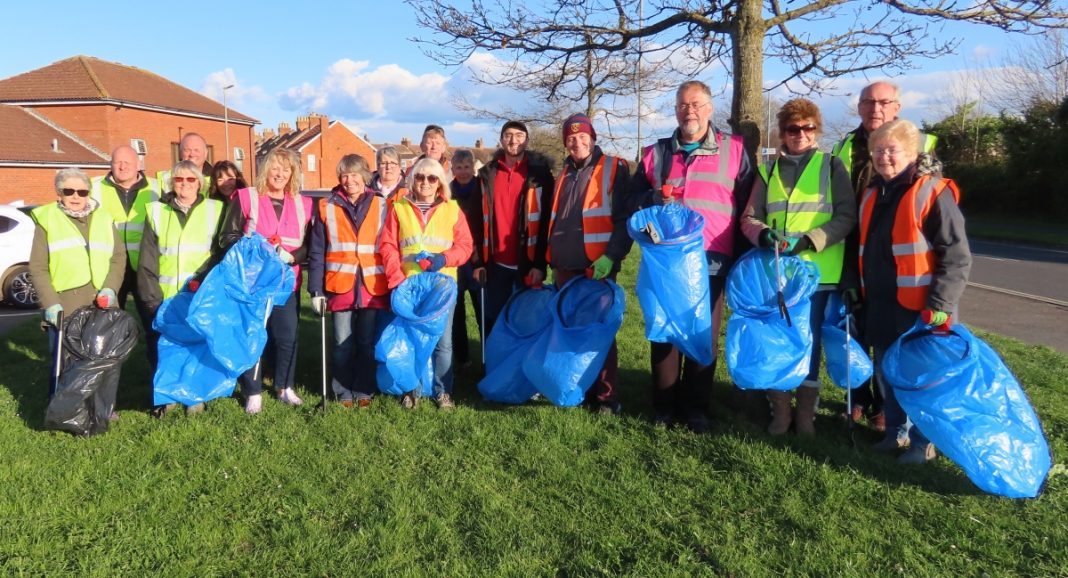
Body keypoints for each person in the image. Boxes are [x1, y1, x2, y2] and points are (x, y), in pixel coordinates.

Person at [626, 80, 755, 433]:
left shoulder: (735, 150)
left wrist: (743, 260)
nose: (689, 111)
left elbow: (748, 207)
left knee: (702, 334)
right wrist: (652, 199)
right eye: (683, 105)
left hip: (711, 258)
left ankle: (696, 409)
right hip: (665, 261)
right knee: (664, 333)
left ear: (710, 109)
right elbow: (628, 202)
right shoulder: (656, 154)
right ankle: (663, 407)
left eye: (696, 104)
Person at [858, 119, 971, 465]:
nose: (884, 157)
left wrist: (940, 304)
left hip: (923, 309)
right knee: (890, 375)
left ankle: (923, 444)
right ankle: (895, 433)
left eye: (892, 150)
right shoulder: (873, 193)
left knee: (925, 381)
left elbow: (956, 255)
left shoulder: (931, 192)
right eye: (878, 150)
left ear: (912, 153)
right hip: (882, 304)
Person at [741, 98, 857, 436]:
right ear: (782, 133)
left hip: (817, 274)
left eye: (807, 128)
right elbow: (749, 217)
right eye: (793, 129)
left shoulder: (832, 165)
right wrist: (763, 236)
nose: (800, 134)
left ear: (816, 130)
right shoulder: (768, 170)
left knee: (810, 341)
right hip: (777, 276)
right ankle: (781, 410)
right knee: (777, 340)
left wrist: (809, 240)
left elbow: (847, 217)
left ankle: (806, 414)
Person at [831, 81, 939, 430]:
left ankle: (890, 413)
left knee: (895, 341)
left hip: (903, 256)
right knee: (857, 329)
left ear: (897, 106)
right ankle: (860, 399)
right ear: (859, 107)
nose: (875, 109)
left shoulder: (922, 144)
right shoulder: (844, 146)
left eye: (883, 102)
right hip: (856, 248)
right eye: (868, 102)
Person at [545, 113, 632, 414]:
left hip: (597, 267)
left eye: (583, 137)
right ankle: (578, 387)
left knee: (598, 333)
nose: (577, 142)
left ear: (593, 138)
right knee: (569, 331)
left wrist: (611, 256)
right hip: (564, 267)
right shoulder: (564, 173)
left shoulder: (613, 167)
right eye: (571, 138)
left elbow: (624, 220)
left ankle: (606, 397)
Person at [218, 148, 312, 415]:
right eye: (275, 168)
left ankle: (285, 386)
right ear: (265, 170)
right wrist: (256, 251)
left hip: (287, 283)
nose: (280, 174)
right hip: (253, 284)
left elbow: (308, 245)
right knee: (253, 336)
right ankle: (253, 391)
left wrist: (293, 257)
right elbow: (227, 237)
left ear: (292, 173)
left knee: (287, 337)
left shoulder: (303, 204)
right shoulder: (247, 197)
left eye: (286, 169)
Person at [29, 169, 125, 417]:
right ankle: (63, 411)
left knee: (100, 356)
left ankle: (101, 408)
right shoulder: (47, 219)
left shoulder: (103, 217)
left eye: (81, 191)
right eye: (68, 191)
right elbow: (38, 267)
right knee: (66, 360)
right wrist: (50, 303)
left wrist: (111, 288)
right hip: (65, 302)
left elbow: (117, 257)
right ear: (59, 193)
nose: (75, 196)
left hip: (100, 300)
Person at [380, 158, 473, 409]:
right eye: (420, 177)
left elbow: (465, 247)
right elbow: (387, 245)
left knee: (443, 342)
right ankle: (412, 390)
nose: (425, 183)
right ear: (412, 180)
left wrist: (443, 259)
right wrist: (396, 277)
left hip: (442, 286)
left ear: (440, 182)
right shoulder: (399, 208)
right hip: (409, 285)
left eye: (432, 178)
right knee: (412, 339)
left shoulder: (452, 209)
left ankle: (444, 392)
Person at [138, 161, 224, 415]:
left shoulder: (215, 210)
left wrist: (207, 287)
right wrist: (151, 300)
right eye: (179, 180)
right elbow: (147, 261)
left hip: (199, 296)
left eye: (190, 179)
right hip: (165, 296)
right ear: (171, 183)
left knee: (196, 345)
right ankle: (166, 397)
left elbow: (219, 256)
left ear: (200, 183)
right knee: (164, 348)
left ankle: (195, 396)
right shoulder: (155, 212)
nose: (184, 184)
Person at [308, 155, 389, 409]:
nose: (349, 180)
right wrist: (315, 290)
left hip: (371, 285)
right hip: (339, 285)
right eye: (344, 175)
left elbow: (389, 246)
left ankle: (364, 388)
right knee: (342, 343)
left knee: (366, 342)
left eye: (354, 174)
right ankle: (342, 391)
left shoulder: (382, 204)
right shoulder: (326, 206)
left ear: (365, 176)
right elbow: (317, 251)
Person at [470, 120, 555, 335]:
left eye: (519, 135)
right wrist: (478, 262)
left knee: (525, 325)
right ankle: (495, 367)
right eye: (508, 135)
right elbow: (477, 222)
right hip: (495, 264)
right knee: (494, 322)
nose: (513, 140)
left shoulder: (540, 175)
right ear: (501, 140)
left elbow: (547, 221)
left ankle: (521, 368)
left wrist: (540, 264)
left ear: (527, 140)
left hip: (527, 264)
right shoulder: (487, 174)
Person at [90, 145, 159, 323]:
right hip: (110, 266)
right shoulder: (93, 188)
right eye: (117, 162)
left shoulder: (157, 188)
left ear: (138, 164)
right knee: (107, 321)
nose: (122, 166)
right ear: (110, 165)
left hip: (144, 266)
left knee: (152, 320)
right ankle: (112, 350)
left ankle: (154, 351)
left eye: (127, 162)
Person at [449, 148, 482, 369]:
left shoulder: (483, 188)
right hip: (456, 256)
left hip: (479, 255)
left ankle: (488, 355)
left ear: (473, 167)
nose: (463, 172)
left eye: (467, 167)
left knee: (482, 308)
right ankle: (462, 358)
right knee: (457, 310)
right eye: (459, 168)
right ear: (452, 170)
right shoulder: (447, 192)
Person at [157, 133, 213, 197]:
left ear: (205, 153)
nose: (192, 154)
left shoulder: (217, 179)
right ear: (180, 153)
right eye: (187, 150)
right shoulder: (165, 178)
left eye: (196, 150)